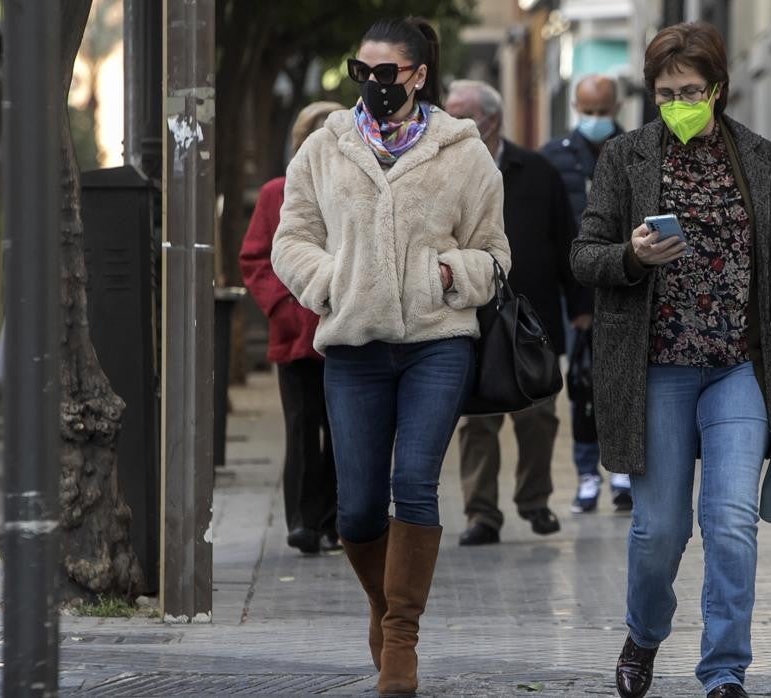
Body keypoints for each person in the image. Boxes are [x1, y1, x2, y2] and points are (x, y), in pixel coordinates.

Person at [572, 22, 771, 698]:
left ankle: (724, 671)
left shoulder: (757, 155)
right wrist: (632, 256)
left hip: (737, 369)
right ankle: (644, 634)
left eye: (690, 91)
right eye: (664, 93)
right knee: (660, 530)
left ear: (718, 88)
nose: (677, 102)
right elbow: (585, 255)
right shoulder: (625, 158)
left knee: (730, 523)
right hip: (657, 368)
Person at [271, 18, 510, 697]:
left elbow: (495, 254)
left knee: (415, 482)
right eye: (361, 72)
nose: (372, 85)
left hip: (438, 343)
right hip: (353, 346)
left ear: (416, 75)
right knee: (357, 509)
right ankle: (382, 605)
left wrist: (447, 274)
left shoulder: (463, 153)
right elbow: (293, 239)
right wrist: (330, 284)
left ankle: (400, 635)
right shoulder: (325, 148)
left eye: (385, 73)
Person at [443, 80, 587, 546]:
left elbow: (567, 240)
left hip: (533, 318)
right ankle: (482, 513)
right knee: (478, 422)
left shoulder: (537, 170)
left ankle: (535, 500)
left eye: (463, 114)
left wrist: (580, 305)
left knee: (539, 415)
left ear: (492, 119)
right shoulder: (442, 169)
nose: (452, 122)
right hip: (470, 315)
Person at [239, 100, 345, 556]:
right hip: (297, 337)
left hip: (347, 332)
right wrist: (283, 309)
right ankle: (301, 521)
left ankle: (335, 520)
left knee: (344, 431)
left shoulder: (357, 189)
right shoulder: (275, 193)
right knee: (303, 428)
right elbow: (255, 259)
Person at [540, 74, 632, 513]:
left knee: (627, 385)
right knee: (582, 387)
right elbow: (553, 235)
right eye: (588, 111)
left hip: (630, 285)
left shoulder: (638, 149)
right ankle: (586, 475)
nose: (596, 119)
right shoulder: (554, 159)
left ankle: (623, 469)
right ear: (576, 107)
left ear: (616, 106)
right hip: (577, 292)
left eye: (603, 111)